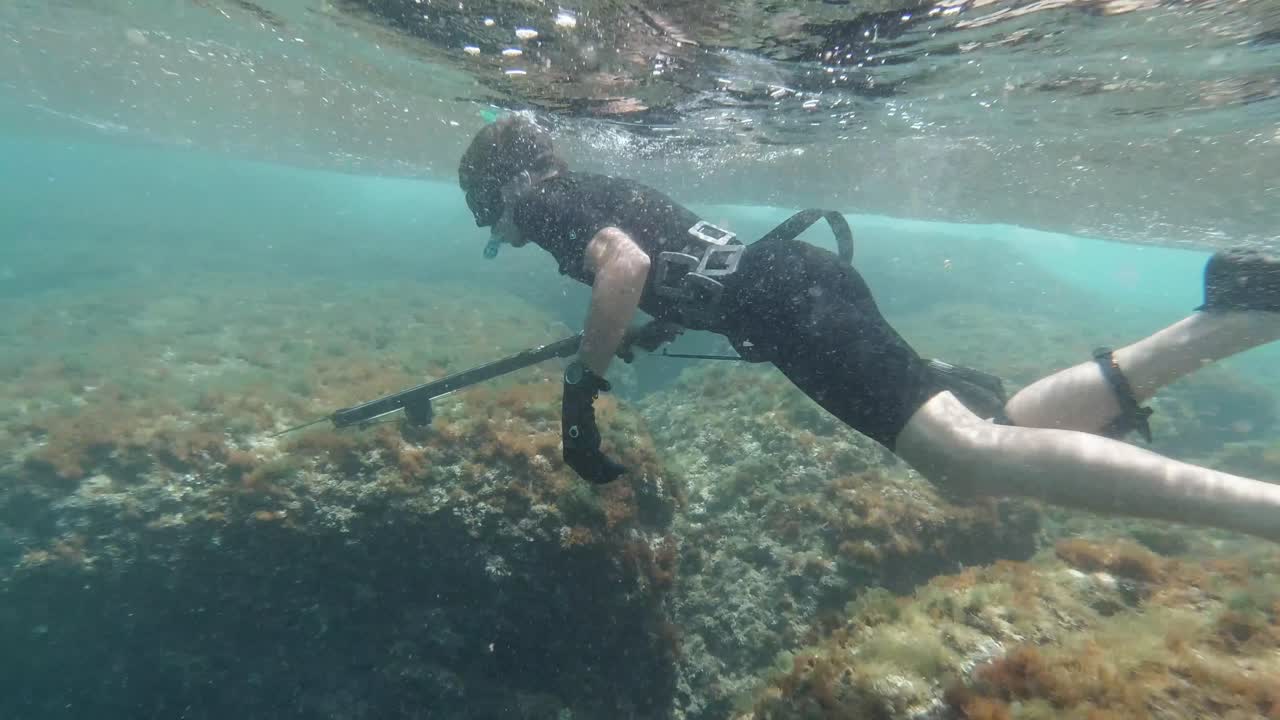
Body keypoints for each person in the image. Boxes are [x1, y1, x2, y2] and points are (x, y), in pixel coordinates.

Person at [457, 116, 1280, 542]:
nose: (506, 233)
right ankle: (1231, 313)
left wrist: (582, 387)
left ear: (496, 191)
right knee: (980, 443)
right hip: (797, 283)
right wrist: (652, 326)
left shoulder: (538, 200)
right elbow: (676, 263)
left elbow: (626, 267)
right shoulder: (590, 182)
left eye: (491, 221)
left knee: (963, 457)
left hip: (788, 305)